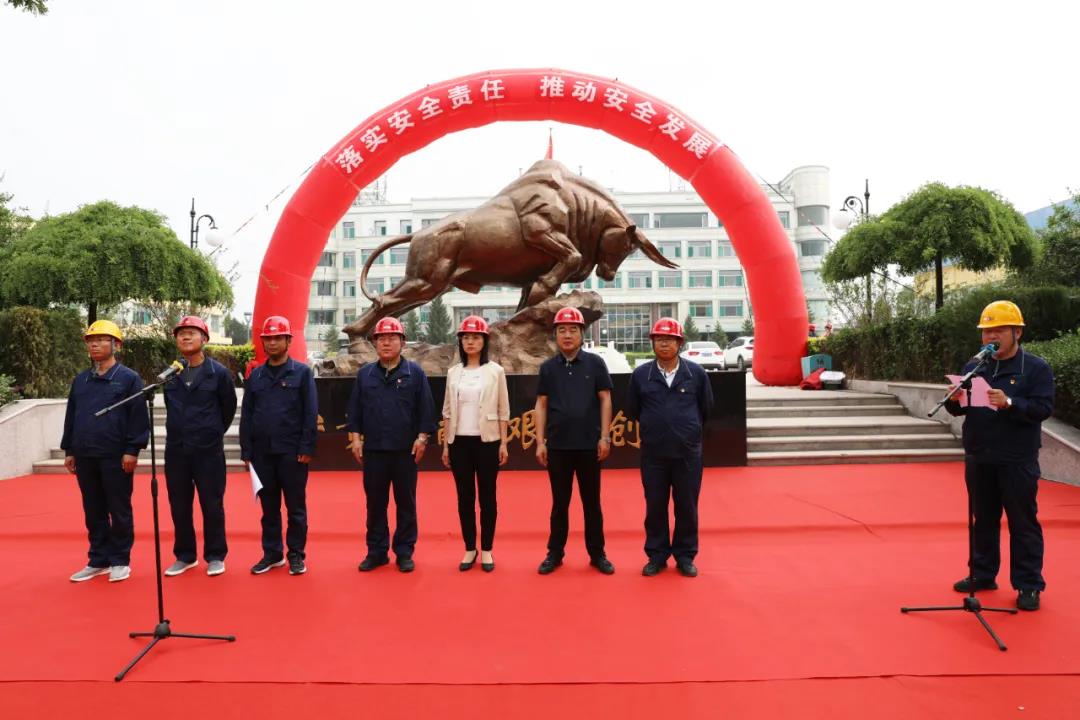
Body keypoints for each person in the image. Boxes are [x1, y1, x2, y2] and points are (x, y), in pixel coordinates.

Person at [945, 300, 1054, 611]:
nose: (991, 337)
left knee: (1022, 522)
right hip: (979, 456)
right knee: (983, 520)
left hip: (1016, 458)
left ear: (1017, 332)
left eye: (999, 331)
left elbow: (1043, 408)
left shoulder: (1035, 368)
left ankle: (1028, 584)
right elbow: (960, 409)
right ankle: (982, 573)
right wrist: (954, 399)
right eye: (986, 331)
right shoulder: (974, 366)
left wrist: (1010, 403)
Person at [62, 320, 150, 583]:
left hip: (116, 456)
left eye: (101, 340)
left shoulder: (129, 379)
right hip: (85, 454)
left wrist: (132, 449)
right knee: (93, 509)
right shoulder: (81, 380)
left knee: (119, 508)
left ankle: (120, 560)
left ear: (116, 345)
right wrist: (69, 448)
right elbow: (72, 415)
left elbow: (137, 417)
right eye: (91, 340)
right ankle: (98, 559)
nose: (95, 344)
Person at [626, 318, 714, 578]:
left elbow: (706, 408)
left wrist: (687, 431)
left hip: (687, 455)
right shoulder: (641, 375)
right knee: (655, 507)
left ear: (679, 343)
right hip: (654, 455)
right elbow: (633, 410)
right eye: (659, 339)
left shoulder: (696, 374)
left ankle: (685, 556)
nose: (664, 343)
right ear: (652, 343)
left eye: (670, 339)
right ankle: (657, 555)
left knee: (687, 507)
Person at [348, 316, 436, 573]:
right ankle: (376, 551)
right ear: (375, 343)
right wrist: (356, 439)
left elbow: (426, 410)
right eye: (381, 339)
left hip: (405, 452)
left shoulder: (414, 373)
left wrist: (422, 439)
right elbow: (355, 411)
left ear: (402, 342)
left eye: (391, 338)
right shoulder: (365, 374)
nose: (386, 343)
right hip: (374, 451)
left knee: (406, 503)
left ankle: (404, 551)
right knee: (375, 504)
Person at [534, 306, 615, 575]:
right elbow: (541, 404)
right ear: (555, 335)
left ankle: (597, 554)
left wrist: (605, 437)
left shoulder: (595, 364)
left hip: (590, 446)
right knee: (560, 504)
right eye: (562, 330)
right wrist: (540, 442)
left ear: (582, 333)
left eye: (572, 330)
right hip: (558, 447)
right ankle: (555, 553)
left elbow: (605, 400)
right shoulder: (548, 368)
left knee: (592, 504)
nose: (567, 335)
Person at [240, 316, 318, 576]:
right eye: (268, 339)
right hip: (262, 454)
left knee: (296, 508)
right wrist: (246, 450)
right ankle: (272, 554)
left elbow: (310, 413)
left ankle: (296, 554)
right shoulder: (256, 375)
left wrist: (306, 447)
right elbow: (247, 414)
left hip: (292, 453)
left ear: (288, 341)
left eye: (277, 338)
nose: (272, 343)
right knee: (269, 509)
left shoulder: (302, 373)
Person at [162, 316, 237, 577]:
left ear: (204, 338)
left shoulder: (219, 373)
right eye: (181, 333)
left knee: (212, 504)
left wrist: (211, 431)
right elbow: (171, 407)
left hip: (208, 451)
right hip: (176, 451)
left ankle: (215, 555)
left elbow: (228, 409)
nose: (185, 337)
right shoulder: (171, 374)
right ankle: (185, 555)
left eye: (192, 333)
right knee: (179, 505)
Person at [440, 316, 510, 572]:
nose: (470, 342)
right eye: (466, 337)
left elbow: (503, 409)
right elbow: (447, 411)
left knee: (488, 497)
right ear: (460, 341)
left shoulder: (495, 371)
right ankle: (470, 548)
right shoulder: (453, 373)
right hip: (459, 442)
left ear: (484, 341)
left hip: (487, 441)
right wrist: (446, 446)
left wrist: (503, 443)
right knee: (465, 498)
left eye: (476, 337)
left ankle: (487, 549)